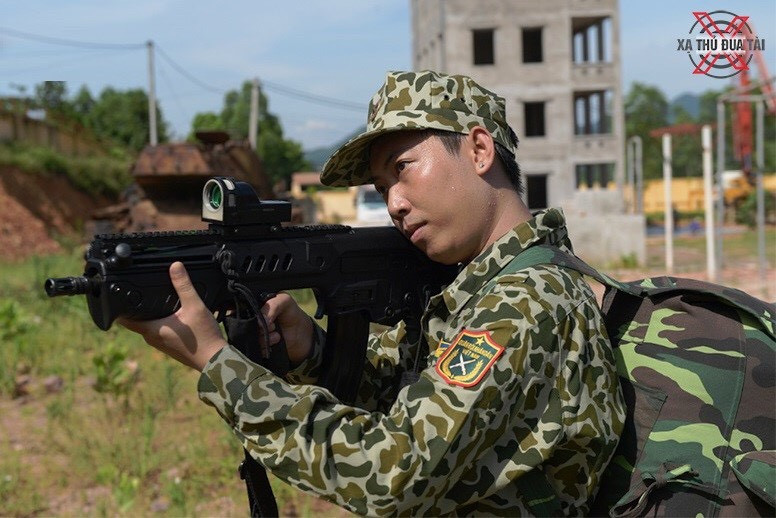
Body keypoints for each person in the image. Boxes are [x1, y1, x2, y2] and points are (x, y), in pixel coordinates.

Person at [119, 70, 626, 516]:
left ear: (478, 149)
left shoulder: (525, 303)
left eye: (402, 167)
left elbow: (392, 472)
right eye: (382, 188)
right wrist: (312, 349)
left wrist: (217, 363)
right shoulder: (482, 288)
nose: (395, 204)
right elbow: (414, 390)